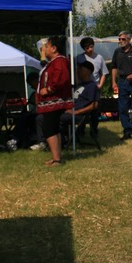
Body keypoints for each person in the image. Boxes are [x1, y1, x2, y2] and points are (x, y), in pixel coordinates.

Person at [35, 35, 72, 166]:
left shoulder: (59, 61)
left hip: (54, 100)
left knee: (49, 128)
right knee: (52, 128)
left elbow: (62, 78)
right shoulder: (54, 62)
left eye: (46, 46)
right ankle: (56, 157)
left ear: (54, 48)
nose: (44, 49)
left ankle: (57, 159)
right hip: (51, 101)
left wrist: (49, 89)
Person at [111, 31, 132, 140]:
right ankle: (127, 130)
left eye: (123, 39)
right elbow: (114, 67)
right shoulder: (117, 52)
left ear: (129, 40)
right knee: (122, 108)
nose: (120, 41)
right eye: (119, 39)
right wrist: (113, 82)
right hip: (122, 81)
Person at [60, 60, 100, 145]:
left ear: (87, 71)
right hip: (71, 112)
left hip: (81, 115)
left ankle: (62, 141)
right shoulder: (78, 85)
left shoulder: (92, 86)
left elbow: (94, 105)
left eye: (81, 69)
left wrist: (75, 112)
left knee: (59, 118)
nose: (78, 71)